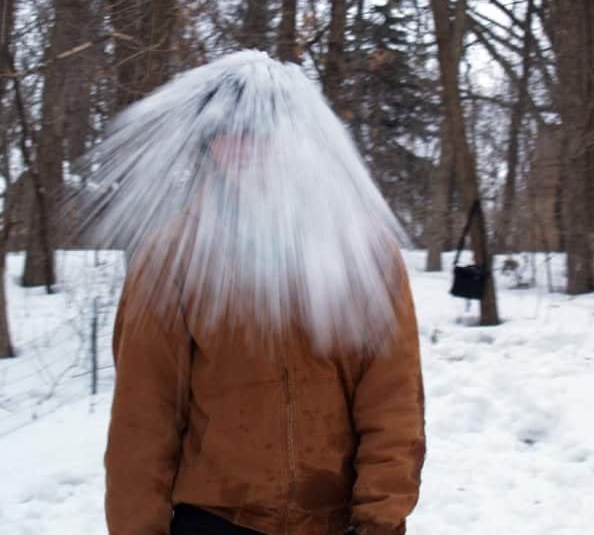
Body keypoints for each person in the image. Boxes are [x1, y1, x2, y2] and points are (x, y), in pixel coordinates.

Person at [91, 51, 425, 535]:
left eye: (258, 130)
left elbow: (392, 399)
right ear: (207, 142)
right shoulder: (173, 257)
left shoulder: (362, 250)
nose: (241, 145)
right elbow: (144, 414)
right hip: (215, 520)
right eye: (224, 131)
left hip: (333, 521)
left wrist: (380, 518)